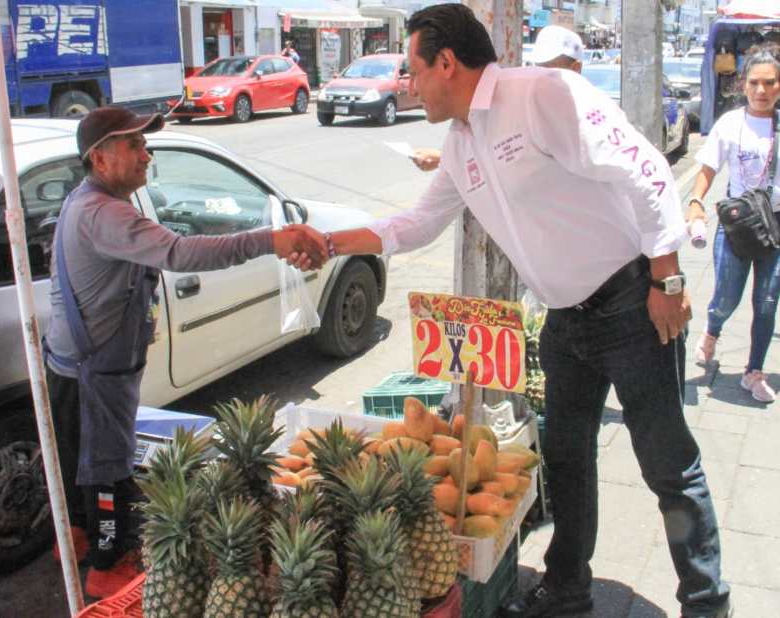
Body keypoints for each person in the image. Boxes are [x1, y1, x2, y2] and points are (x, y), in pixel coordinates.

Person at [305, 5, 731, 617]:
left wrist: (667, 278)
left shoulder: (540, 97)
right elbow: (419, 224)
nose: (409, 84)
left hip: (631, 306)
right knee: (565, 461)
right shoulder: (460, 142)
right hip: (564, 322)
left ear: (446, 62)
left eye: (413, 69)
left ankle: (707, 602)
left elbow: (646, 172)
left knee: (668, 465)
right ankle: (566, 591)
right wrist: (333, 242)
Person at [44, 106, 325, 599]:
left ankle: (78, 537)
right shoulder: (102, 214)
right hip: (94, 373)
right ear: (100, 158)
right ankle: (105, 568)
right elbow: (181, 253)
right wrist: (271, 240)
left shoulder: (89, 202)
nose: (146, 155)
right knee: (107, 468)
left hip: (80, 366)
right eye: (134, 145)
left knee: (81, 462)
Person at [688, 44, 780, 403]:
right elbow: (707, 169)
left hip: (776, 227)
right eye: (755, 82)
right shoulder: (731, 123)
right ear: (743, 85)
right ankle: (712, 330)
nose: (762, 90)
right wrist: (695, 201)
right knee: (726, 297)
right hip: (737, 226)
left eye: (770, 83)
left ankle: (753, 372)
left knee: (768, 302)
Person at [410, 24, 582, 172]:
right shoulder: (524, 105)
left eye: (550, 69)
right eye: (538, 67)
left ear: (576, 68)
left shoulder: (581, 116)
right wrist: (445, 160)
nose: (541, 76)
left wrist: (442, 160)